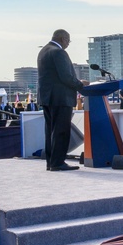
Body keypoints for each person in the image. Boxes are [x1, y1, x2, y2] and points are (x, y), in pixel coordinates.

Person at [37, 29, 89, 171]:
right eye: (68, 41)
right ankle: (58, 163)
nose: (68, 44)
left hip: (47, 98)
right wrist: (80, 84)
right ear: (62, 39)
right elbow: (65, 77)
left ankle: (51, 162)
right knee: (61, 131)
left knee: (50, 131)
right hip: (60, 98)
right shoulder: (59, 52)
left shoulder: (43, 51)